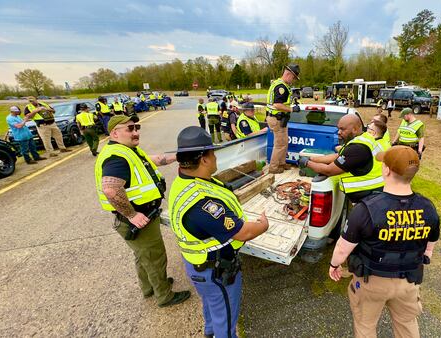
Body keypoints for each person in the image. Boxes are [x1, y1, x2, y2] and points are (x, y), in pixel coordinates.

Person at [328, 145, 440, 338]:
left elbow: (342, 248)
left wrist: (334, 265)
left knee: (365, 325)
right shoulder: (428, 207)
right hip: (408, 281)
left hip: (372, 282)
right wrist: (424, 257)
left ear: (386, 170)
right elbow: (431, 242)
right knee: (407, 324)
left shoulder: (366, 209)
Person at [169, 126, 269, 338]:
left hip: (199, 266)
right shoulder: (202, 204)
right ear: (204, 159)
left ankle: (209, 331)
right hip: (215, 272)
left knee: (212, 305)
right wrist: (263, 225)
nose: (216, 157)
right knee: (226, 318)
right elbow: (242, 233)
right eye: (213, 153)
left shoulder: (185, 180)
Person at [95, 115, 190, 307]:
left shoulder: (127, 151)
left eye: (136, 127)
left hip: (140, 218)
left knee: (143, 256)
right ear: (115, 133)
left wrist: (178, 157)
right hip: (138, 219)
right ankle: (164, 295)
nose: (135, 132)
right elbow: (111, 189)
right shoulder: (116, 157)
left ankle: (149, 287)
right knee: (155, 257)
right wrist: (132, 214)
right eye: (129, 129)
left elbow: (153, 160)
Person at [299, 115, 384, 203]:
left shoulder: (357, 148)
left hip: (370, 197)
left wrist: (306, 163)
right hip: (371, 194)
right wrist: (312, 159)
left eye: (343, 129)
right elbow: (339, 156)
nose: (339, 132)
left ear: (354, 129)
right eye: (338, 129)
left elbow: (329, 170)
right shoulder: (363, 138)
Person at [266, 64, 301, 174]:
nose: (294, 80)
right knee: (280, 144)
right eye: (294, 77)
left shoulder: (281, 84)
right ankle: (274, 167)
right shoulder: (281, 87)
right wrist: (292, 109)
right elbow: (277, 104)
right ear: (288, 74)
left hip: (279, 118)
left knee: (284, 142)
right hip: (276, 118)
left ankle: (281, 163)